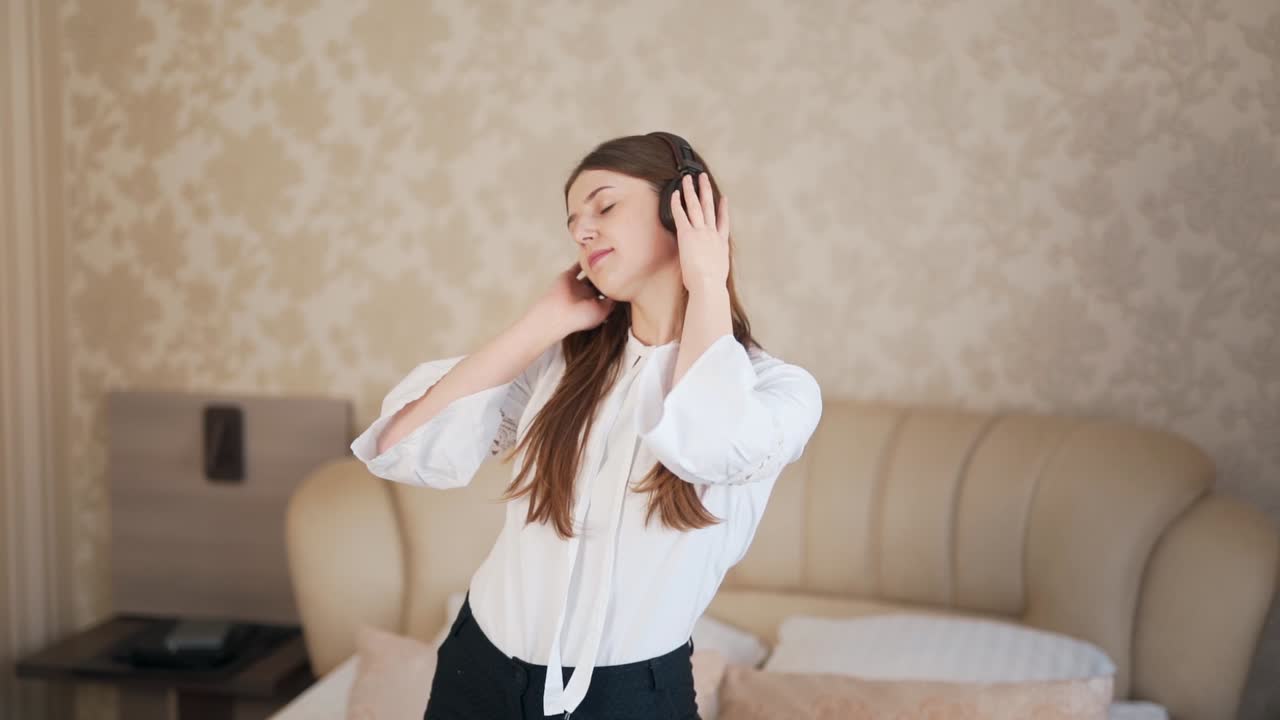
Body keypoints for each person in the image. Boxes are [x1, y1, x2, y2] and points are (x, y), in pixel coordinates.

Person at [350, 132, 824, 719]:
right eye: (573, 220)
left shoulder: (778, 393)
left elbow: (707, 444)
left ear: (686, 207)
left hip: (632, 699)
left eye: (604, 206)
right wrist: (542, 322)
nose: (582, 230)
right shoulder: (560, 365)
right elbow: (402, 447)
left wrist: (706, 284)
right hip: (477, 670)